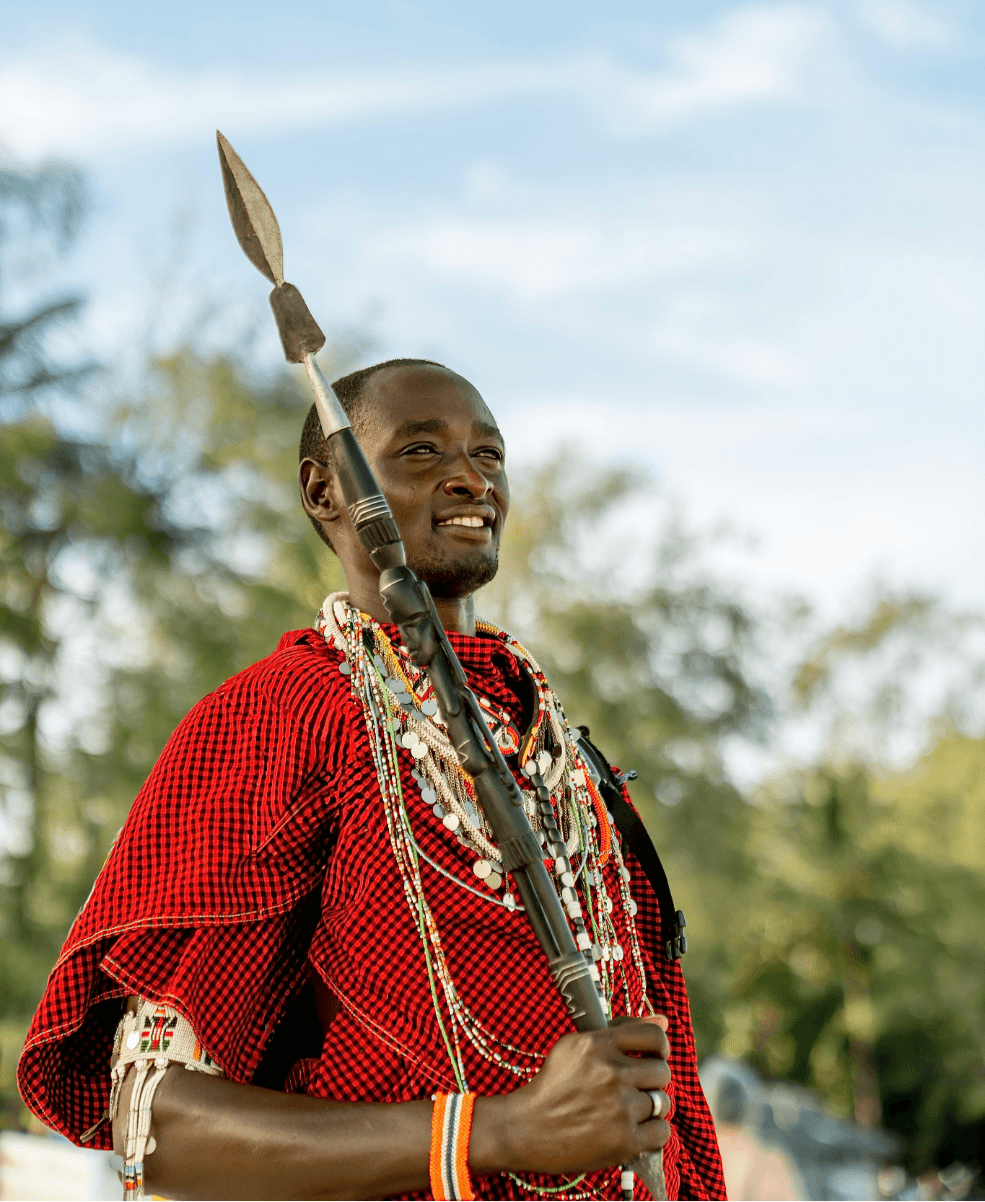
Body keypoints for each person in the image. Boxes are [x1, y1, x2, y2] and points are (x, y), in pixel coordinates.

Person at [18, 359, 727, 1202]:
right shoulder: (280, 715)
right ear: (323, 491)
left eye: (488, 456)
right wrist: (499, 1133)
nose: (471, 479)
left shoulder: (562, 755)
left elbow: (672, 1114)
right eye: (421, 452)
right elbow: (157, 1128)